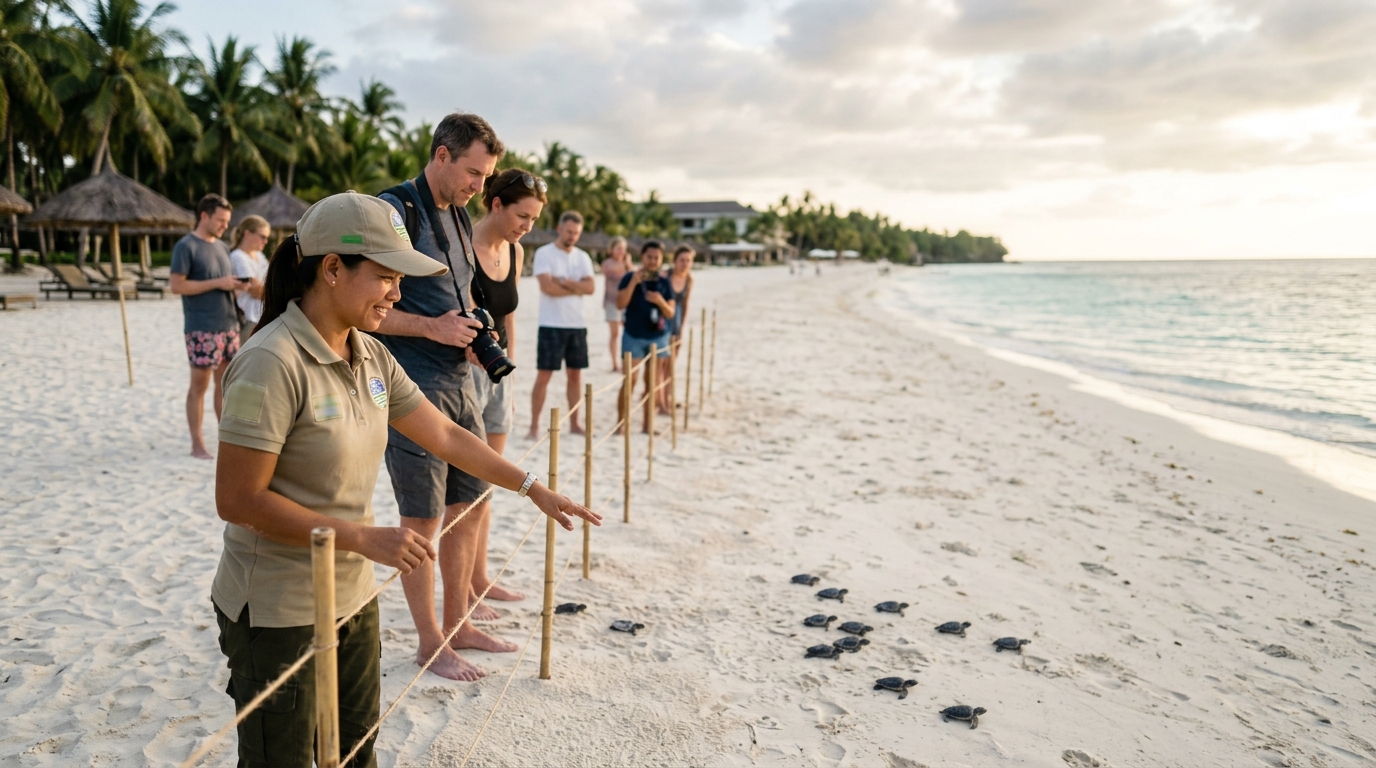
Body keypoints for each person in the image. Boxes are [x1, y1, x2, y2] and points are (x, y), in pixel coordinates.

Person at [213, 190, 599, 767]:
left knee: (355, 752)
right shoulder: (270, 362)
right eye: (387, 276)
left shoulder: (371, 353)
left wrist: (530, 486)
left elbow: (443, 435)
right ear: (333, 269)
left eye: (402, 277)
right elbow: (238, 499)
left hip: (352, 593)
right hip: (277, 607)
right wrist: (366, 539)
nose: (397, 292)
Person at [372, 112, 508, 681]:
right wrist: (431, 328)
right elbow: (365, 309)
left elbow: (459, 295)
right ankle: (430, 643)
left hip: (460, 380)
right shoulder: (392, 211)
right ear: (442, 154)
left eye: (485, 177)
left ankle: (459, 623)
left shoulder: (458, 215)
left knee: (471, 505)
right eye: (474, 173)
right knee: (421, 521)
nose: (479, 186)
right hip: (410, 385)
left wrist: (477, 333)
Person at [466, 167, 547, 614]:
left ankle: (480, 578)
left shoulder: (515, 253)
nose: (526, 227)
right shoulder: (461, 249)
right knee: (468, 485)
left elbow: (509, 316)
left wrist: (511, 379)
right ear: (496, 204)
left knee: (490, 483)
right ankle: (467, 586)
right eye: (522, 216)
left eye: (534, 219)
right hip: (465, 376)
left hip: (500, 373)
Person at [169, 193, 240, 460]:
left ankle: (227, 438)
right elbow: (177, 286)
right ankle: (197, 444)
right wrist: (218, 283)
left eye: (227, 221)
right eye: (221, 220)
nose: (224, 226)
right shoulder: (185, 246)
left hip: (229, 324)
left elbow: (222, 281)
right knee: (199, 387)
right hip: (202, 327)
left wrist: (235, 285)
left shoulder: (222, 247)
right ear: (204, 216)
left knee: (226, 385)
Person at [526, 210, 595, 439]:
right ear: (559, 229)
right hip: (550, 323)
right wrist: (576, 286)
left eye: (576, 233)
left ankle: (575, 423)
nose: (572, 236)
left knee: (575, 376)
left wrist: (563, 282)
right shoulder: (544, 254)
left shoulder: (583, 257)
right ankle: (534, 425)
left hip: (577, 324)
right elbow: (547, 288)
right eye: (569, 231)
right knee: (544, 375)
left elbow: (591, 288)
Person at [615, 240, 675, 433]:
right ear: (642, 257)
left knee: (652, 383)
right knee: (629, 381)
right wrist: (634, 282)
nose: (652, 261)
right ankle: (621, 423)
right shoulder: (629, 277)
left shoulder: (665, 282)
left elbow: (670, 313)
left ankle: (648, 425)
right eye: (649, 257)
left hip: (657, 337)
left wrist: (660, 301)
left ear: (661, 259)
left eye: (656, 258)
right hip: (633, 336)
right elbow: (620, 304)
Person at [659, 244, 695, 415]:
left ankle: (667, 398)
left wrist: (681, 329)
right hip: (663, 321)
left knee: (671, 364)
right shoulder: (665, 276)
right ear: (674, 261)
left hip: (677, 321)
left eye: (688, 260)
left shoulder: (689, 279)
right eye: (682, 260)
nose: (685, 264)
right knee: (661, 363)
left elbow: (686, 304)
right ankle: (661, 401)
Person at [229, 215, 271, 339]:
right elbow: (255, 290)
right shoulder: (238, 256)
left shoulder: (260, 255)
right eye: (262, 237)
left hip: (261, 318)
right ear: (247, 234)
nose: (266, 241)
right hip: (247, 319)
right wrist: (276, 295)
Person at [600, 236, 631, 372]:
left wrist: (628, 264)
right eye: (618, 248)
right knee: (615, 334)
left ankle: (626, 361)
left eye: (623, 249)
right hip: (611, 302)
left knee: (627, 333)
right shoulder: (607, 264)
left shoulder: (627, 265)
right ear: (611, 249)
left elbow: (633, 277)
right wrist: (626, 265)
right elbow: (611, 273)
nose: (621, 252)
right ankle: (615, 363)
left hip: (626, 302)